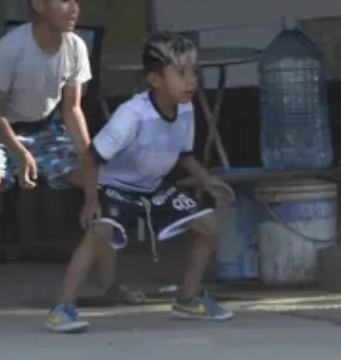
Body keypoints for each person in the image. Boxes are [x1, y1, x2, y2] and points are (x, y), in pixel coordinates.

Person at [0, 0, 125, 314]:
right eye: (64, 0)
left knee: (106, 183)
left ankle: (109, 284)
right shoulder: (11, 48)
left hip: (43, 129)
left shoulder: (75, 48)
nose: (73, 9)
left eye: (76, 1)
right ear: (39, 5)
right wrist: (20, 153)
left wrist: (90, 164)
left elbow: (72, 110)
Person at [46, 33, 236, 333]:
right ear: (155, 79)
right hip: (115, 187)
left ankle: (187, 298)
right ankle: (63, 308)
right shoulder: (132, 115)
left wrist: (207, 180)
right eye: (181, 73)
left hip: (153, 188)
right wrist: (92, 201)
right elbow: (93, 157)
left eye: (194, 73)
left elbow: (184, 155)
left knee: (209, 225)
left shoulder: (185, 109)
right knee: (100, 231)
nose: (191, 81)